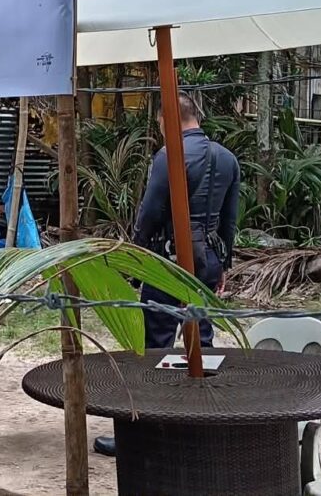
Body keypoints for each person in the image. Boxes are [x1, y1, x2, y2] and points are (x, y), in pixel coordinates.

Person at [94, 93, 240, 458]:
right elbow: (229, 220)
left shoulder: (169, 155)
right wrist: (224, 263)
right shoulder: (227, 158)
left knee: (154, 346)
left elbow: (150, 213)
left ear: (167, 120)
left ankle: (144, 434)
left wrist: (135, 259)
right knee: (201, 345)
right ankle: (203, 428)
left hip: (167, 262)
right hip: (207, 261)